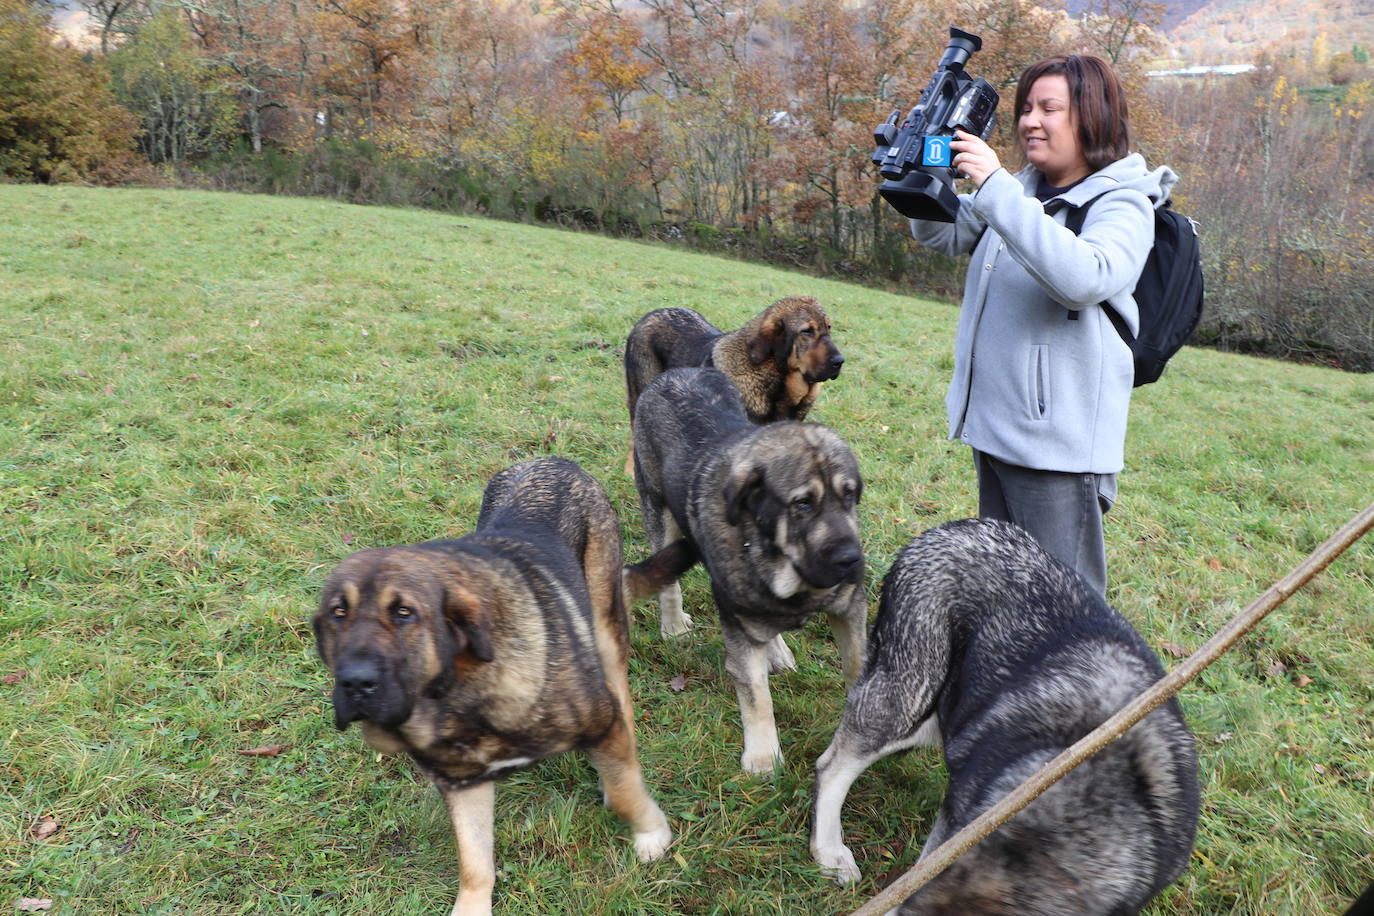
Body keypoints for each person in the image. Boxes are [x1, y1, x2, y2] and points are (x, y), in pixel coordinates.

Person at [911, 53, 1177, 595]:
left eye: (1049, 108)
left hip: (1059, 443)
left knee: (1064, 606)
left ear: (1091, 117)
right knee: (1007, 591)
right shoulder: (1023, 191)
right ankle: (1006, 679)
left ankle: (1091, 685)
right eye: (1026, 108)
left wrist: (995, 186)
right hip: (998, 425)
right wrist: (919, 171)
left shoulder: (1125, 202)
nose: (1030, 120)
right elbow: (942, 235)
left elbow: (1086, 276)